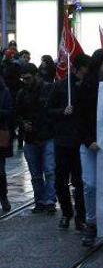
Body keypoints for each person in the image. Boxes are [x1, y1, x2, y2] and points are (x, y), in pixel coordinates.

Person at [75, 49, 103, 246]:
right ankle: (92, 223)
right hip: (90, 144)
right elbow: (80, 118)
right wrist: (88, 140)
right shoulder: (85, 87)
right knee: (90, 184)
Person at [47, 54, 89, 230]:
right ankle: (66, 213)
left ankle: (81, 216)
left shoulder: (88, 87)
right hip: (63, 141)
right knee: (60, 180)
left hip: (80, 141)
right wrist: (62, 112)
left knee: (80, 181)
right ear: (78, 68)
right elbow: (48, 110)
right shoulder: (61, 86)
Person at [16, 63, 56, 214]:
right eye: (23, 79)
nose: (25, 81)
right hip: (31, 137)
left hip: (47, 136)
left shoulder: (48, 89)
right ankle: (40, 200)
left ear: (35, 75)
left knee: (49, 170)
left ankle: (50, 200)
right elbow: (16, 113)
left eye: (27, 78)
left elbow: (52, 111)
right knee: (36, 174)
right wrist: (22, 123)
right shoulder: (22, 93)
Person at [0, 75, 14, 212]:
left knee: (0, 172)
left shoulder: (4, 92)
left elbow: (10, 112)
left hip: (0, 133)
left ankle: (3, 197)